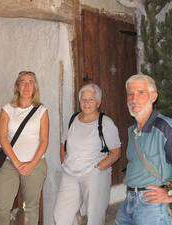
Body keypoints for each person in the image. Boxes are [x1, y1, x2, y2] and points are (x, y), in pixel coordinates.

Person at [115, 74, 172, 225]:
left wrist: (171, 194)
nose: (134, 99)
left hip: (151, 206)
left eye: (140, 92)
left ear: (153, 97)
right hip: (129, 201)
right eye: (130, 94)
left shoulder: (164, 127)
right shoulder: (133, 130)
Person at [54, 83, 121, 225]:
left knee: (93, 217)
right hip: (70, 174)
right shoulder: (73, 120)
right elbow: (63, 144)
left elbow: (116, 152)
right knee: (60, 215)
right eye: (83, 100)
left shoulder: (105, 123)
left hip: (93, 174)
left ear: (98, 102)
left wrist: (98, 168)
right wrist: (64, 162)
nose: (86, 103)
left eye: (91, 100)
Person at [0, 71, 49, 225]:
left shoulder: (41, 110)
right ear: (17, 86)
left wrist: (31, 164)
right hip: (10, 163)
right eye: (23, 82)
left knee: (31, 207)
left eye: (31, 82)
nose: (27, 85)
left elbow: (44, 141)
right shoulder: (7, 109)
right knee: (2, 206)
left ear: (35, 87)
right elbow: (2, 138)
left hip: (35, 164)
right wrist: (17, 163)